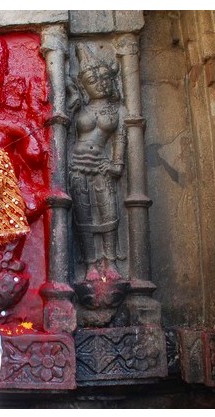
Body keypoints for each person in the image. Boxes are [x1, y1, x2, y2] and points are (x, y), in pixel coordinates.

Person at [69, 44, 125, 283]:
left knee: (108, 212)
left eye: (103, 79)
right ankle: (91, 264)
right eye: (92, 80)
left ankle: (110, 262)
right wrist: (71, 101)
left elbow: (120, 137)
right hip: (78, 164)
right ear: (83, 85)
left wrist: (117, 164)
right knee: (84, 216)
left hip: (102, 164)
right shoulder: (79, 107)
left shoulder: (117, 110)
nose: (99, 84)